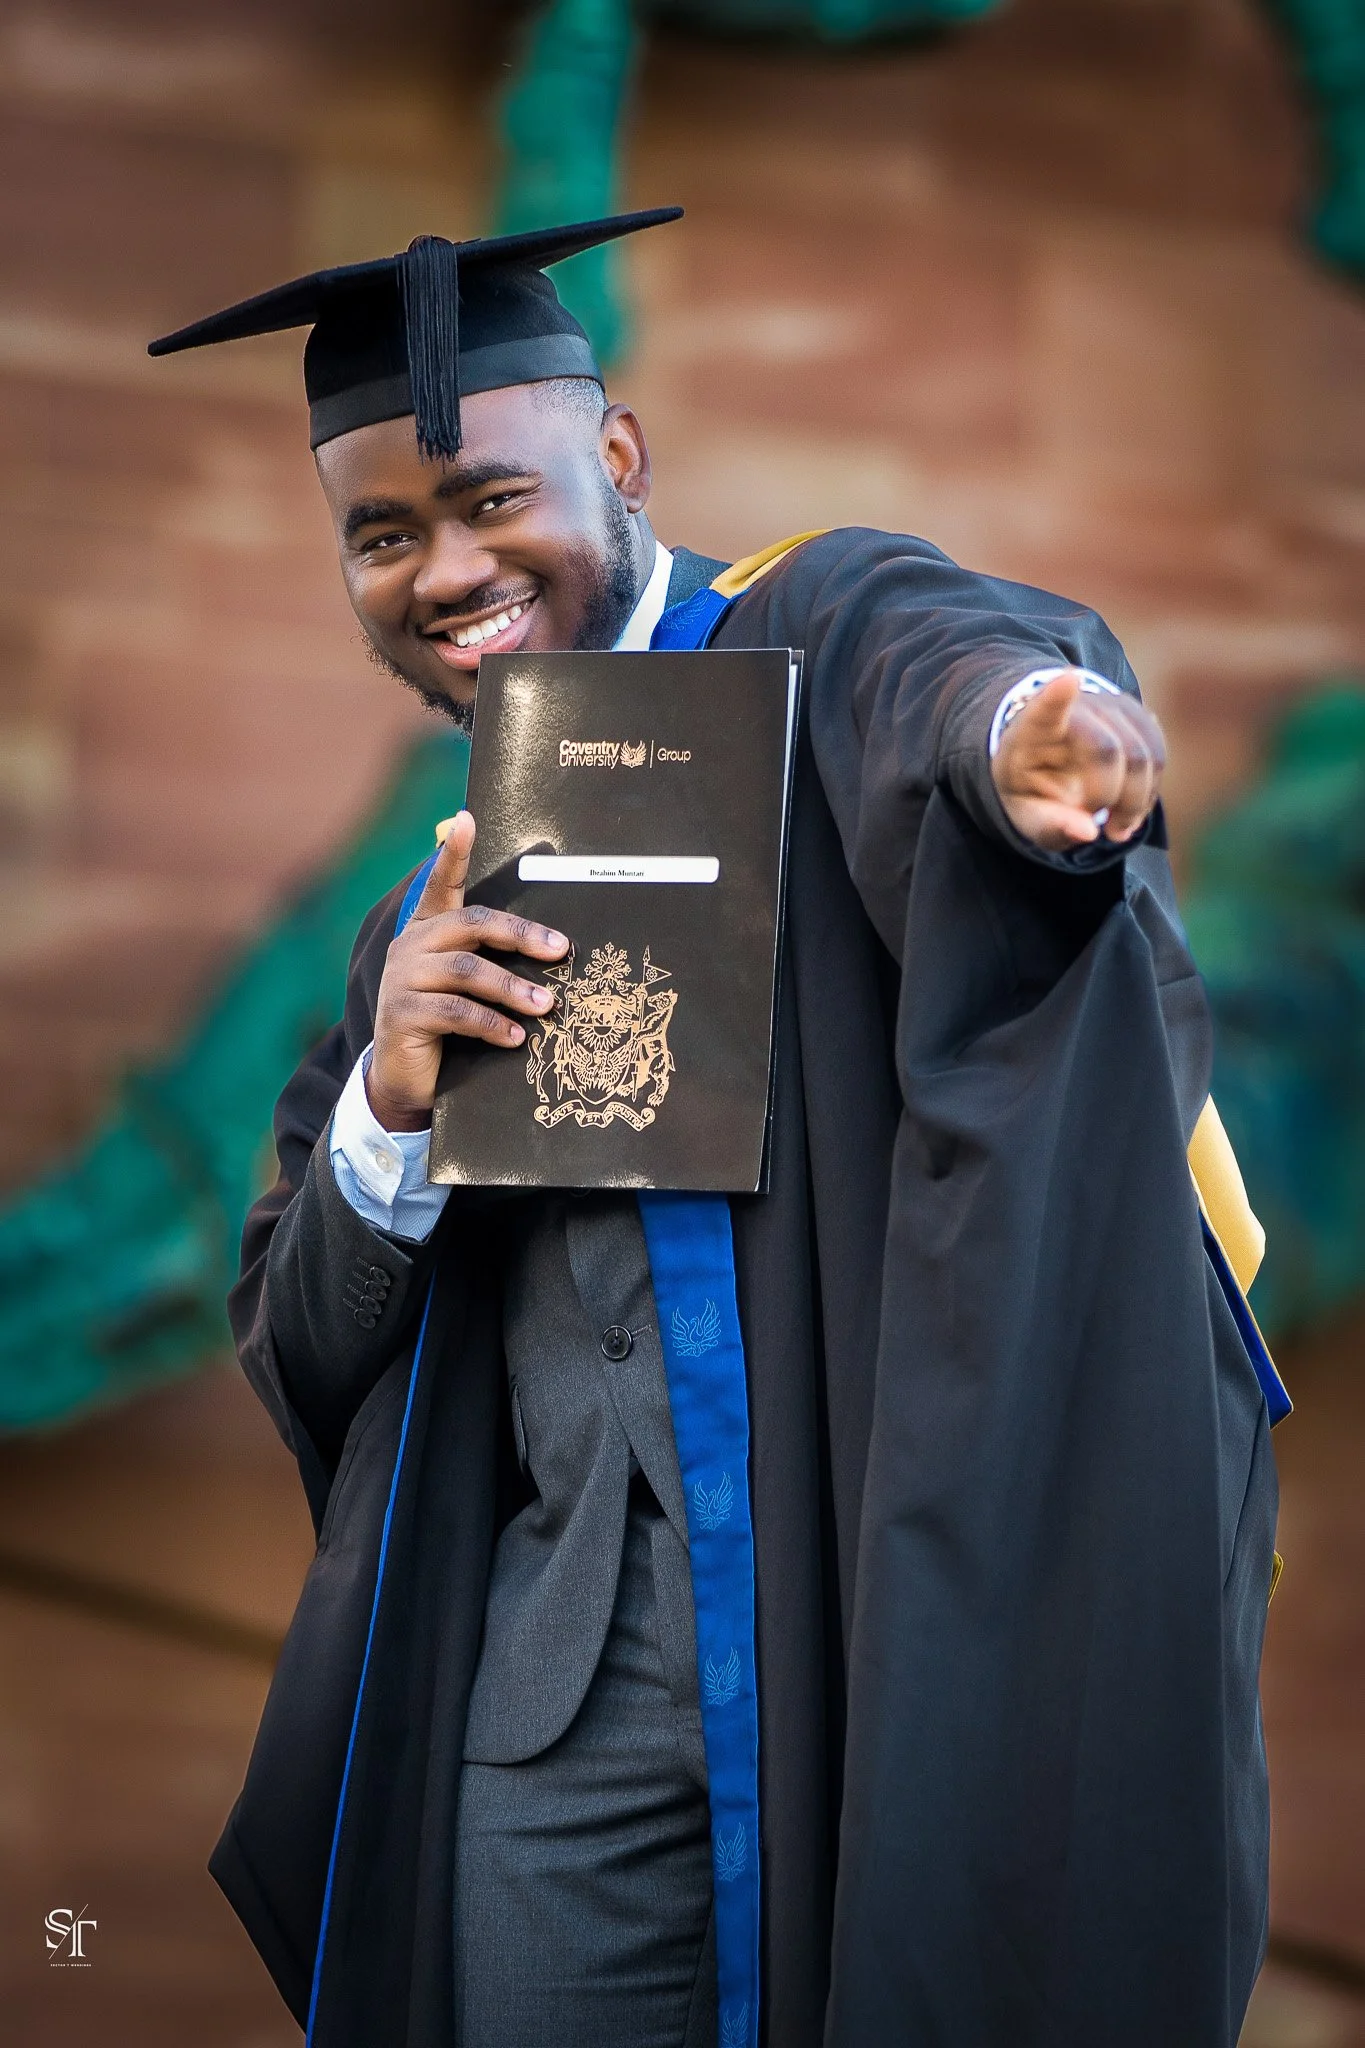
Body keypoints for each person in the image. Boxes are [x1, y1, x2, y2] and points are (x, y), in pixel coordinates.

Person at [149, 210, 1280, 2048]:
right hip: (548, 1725)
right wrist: (393, 1112)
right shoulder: (421, 919)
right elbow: (309, 1353)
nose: (446, 567)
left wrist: (1030, 742)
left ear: (615, 458)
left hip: (852, 1650)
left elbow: (953, 672)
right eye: (382, 533)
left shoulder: (812, 650)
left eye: (488, 498)